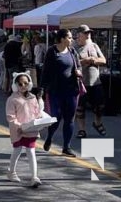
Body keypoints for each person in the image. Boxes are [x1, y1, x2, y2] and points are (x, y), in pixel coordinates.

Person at [40, 29, 82, 157]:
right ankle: (50, 137)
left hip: (71, 91)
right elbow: (45, 71)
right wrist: (41, 89)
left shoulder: (72, 51)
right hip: (56, 91)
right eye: (69, 37)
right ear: (62, 39)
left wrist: (78, 71)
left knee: (69, 119)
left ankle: (66, 147)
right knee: (56, 118)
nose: (72, 39)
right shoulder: (52, 51)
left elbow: (78, 65)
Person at [6, 72, 42, 188]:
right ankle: (11, 172)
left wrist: (41, 120)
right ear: (16, 85)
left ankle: (34, 177)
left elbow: (37, 113)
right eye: (20, 84)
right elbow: (10, 117)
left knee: (31, 151)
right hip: (18, 131)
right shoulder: (12, 99)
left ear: (29, 84)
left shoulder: (33, 98)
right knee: (17, 150)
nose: (23, 86)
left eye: (25, 83)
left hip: (31, 130)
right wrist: (19, 127)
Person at [73, 24, 107, 138]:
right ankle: (82, 130)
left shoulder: (94, 46)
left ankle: (97, 123)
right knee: (80, 107)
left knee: (100, 106)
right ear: (79, 35)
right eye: (86, 33)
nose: (88, 35)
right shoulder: (74, 47)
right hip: (81, 82)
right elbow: (72, 63)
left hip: (95, 82)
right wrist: (85, 60)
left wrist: (95, 61)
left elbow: (103, 60)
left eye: (89, 33)